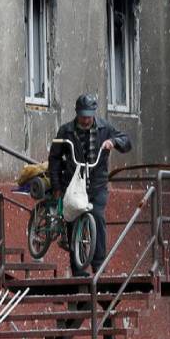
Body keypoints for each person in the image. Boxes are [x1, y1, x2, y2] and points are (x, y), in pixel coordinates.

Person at [48, 94, 132, 276]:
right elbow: (54, 159)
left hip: (97, 184)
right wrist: (56, 187)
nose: (86, 119)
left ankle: (99, 266)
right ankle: (77, 269)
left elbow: (126, 142)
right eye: (83, 115)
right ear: (77, 113)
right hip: (73, 184)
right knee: (72, 218)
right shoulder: (66, 131)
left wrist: (114, 142)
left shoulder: (105, 128)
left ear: (94, 113)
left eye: (89, 115)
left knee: (97, 218)